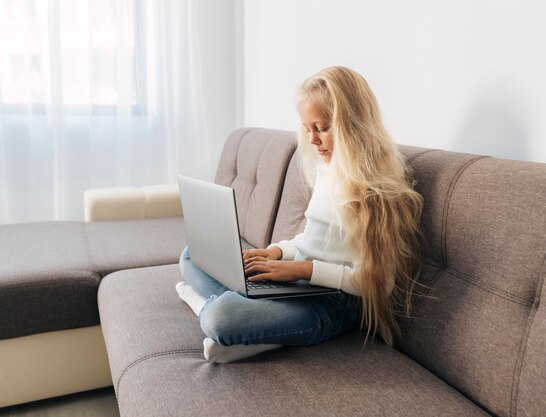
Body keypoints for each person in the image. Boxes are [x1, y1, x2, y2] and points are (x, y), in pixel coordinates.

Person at [176, 66, 425, 364]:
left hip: (332, 303)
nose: (313, 140)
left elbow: (377, 282)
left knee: (219, 317)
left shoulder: (377, 191)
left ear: (353, 124)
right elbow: (312, 238)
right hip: (295, 283)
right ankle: (258, 323)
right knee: (192, 255)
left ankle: (207, 304)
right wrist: (277, 252)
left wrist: (304, 270)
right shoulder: (328, 169)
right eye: (308, 129)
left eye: (321, 128)